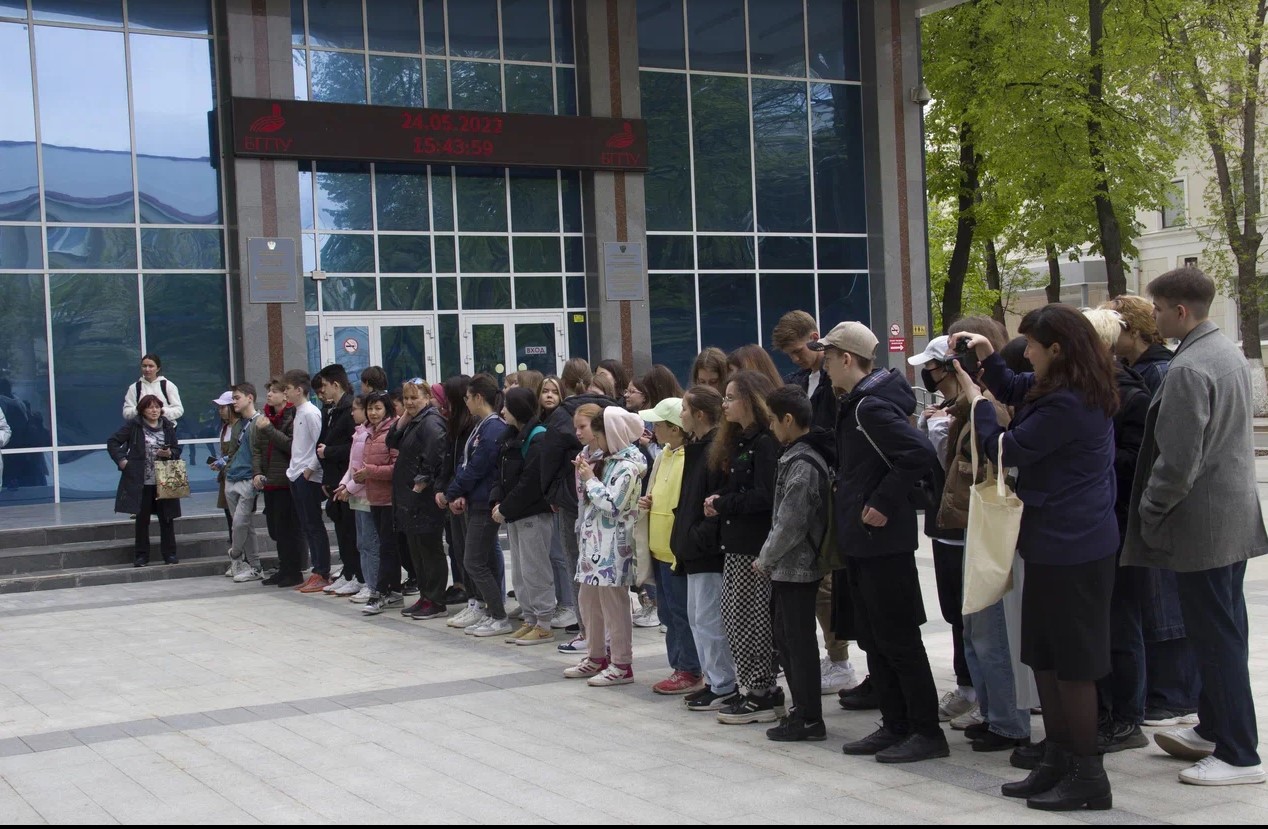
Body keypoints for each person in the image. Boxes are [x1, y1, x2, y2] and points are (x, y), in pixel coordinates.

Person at [955, 304, 1119, 809]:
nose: (1025, 354)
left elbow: (1007, 449)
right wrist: (987, 358)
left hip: (1076, 547)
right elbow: (1015, 387)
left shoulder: (1070, 401)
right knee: (1044, 657)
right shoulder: (1059, 385)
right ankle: (1057, 760)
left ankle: (1089, 775)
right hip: (1052, 543)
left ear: (1058, 349)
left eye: (1031, 346)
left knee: (1073, 666)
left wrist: (978, 405)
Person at [1123, 266, 1267, 787]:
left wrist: (1150, 510)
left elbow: (1178, 462)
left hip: (1201, 525)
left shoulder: (1188, 367)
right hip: (1228, 519)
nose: (1155, 318)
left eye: (1159, 309)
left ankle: (1239, 755)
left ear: (1180, 311)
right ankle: (1213, 729)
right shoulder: (1225, 351)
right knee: (1225, 631)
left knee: (1215, 638)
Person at [815, 321, 947, 765]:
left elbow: (919, 452)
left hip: (882, 542)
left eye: (828, 357)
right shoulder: (857, 401)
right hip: (864, 539)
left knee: (898, 638)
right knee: (876, 637)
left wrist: (882, 501)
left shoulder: (869, 407)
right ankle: (895, 724)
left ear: (846, 359)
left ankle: (925, 730)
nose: (824, 365)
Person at [935, 316, 1035, 755]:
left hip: (993, 524)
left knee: (991, 629)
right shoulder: (974, 400)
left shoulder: (994, 400)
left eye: (963, 352)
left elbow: (996, 444)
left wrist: (973, 395)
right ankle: (994, 713)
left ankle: (1008, 721)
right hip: (976, 521)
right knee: (977, 627)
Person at [1101, 294, 1197, 727]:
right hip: (1141, 503)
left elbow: (1166, 446)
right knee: (1149, 601)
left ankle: (1175, 695)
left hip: (1155, 506)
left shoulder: (1157, 372)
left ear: (1132, 330)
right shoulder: (1140, 371)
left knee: (1163, 601)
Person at [773, 311, 857, 697]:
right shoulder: (798, 381)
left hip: (828, 482)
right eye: (790, 355)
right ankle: (835, 657)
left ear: (815, 336)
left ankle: (839, 659)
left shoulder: (834, 380)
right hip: (805, 479)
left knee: (826, 581)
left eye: (798, 350)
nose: (796, 359)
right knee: (817, 579)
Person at [1083, 309, 1152, 754]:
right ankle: (1103, 712)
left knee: (1120, 626)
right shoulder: (1087, 392)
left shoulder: (1131, 396)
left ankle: (1127, 719)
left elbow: (1138, 463)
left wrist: (1089, 456)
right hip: (1096, 523)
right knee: (1099, 624)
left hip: (1121, 524)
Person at [754, 385, 836, 743]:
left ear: (788, 419)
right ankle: (801, 711)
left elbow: (791, 521)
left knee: (798, 642)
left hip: (798, 567)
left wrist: (765, 557)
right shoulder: (795, 455)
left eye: (773, 420)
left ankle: (809, 717)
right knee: (786, 639)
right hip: (788, 567)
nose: (771, 427)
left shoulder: (803, 462)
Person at [707, 369, 785, 725]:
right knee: (734, 616)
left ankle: (762, 691)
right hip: (736, 543)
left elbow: (765, 496)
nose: (724, 405)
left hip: (754, 546)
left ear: (751, 401)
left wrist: (724, 503)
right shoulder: (741, 440)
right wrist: (721, 499)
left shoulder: (765, 443)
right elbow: (740, 489)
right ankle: (751, 685)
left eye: (730, 398)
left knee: (750, 619)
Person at [908, 335, 976, 724]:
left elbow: (957, 463)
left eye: (931, 367)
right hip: (942, 523)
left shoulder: (969, 409)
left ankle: (977, 689)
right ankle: (967, 684)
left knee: (969, 613)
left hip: (963, 524)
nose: (927, 374)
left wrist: (939, 430)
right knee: (953, 611)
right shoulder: (945, 410)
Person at [562, 406, 648, 686]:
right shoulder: (607, 461)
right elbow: (588, 499)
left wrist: (590, 479)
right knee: (588, 602)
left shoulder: (628, 466)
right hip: (594, 545)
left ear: (612, 435)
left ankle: (621, 664)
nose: (595, 441)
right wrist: (585, 475)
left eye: (598, 436)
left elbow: (613, 505)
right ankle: (595, 655)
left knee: (614, 607)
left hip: (615, 548)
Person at [539, 357, 613, 653]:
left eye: (583, 427)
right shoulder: (612, 409)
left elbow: (548, 459)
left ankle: (589, 632)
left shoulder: (560, 416)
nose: (580, 432)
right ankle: (600, 633)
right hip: (597, 501)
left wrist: (552, 495)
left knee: (578, 565)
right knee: (601, 568)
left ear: (564, 383)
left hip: (580, 502)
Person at [674, 386, 740, 711]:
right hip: (694, 549)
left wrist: (698, 536)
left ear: (699, 414)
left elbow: (716, 502)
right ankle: (714, 680)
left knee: (710, 620)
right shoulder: (697, 447)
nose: (681, 415)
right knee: (697, 619)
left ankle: (724, 684)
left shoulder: (717, 451)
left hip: (708, 552)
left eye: (685, 409)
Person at [636, 397, 703, 695]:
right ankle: (679, 665)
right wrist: (649, 501)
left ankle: (689, 668)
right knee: (667, 614)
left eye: (658, 424)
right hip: (659, 546)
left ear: (675, 428)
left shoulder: (690, 457)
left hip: (677, 550)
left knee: (681, 613)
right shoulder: (664, 454)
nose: (653, 429)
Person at [439, 374, 513, 637]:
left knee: (474, 562)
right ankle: (490, 611)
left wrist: (452, 492)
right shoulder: (482, 426)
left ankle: (499, 615)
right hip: (475, 500)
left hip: (484, 502)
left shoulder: (493, 428)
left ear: (479, 398)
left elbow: (477, 467)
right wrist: (457, 492)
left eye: (468, 397)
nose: (466, 402)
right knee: (480, 560)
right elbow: (466, 463)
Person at [492, 386, 556, 645]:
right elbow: (502, 474)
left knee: (535, 569)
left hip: (532, 514)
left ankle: (544, 623)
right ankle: (530, 618)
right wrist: (498, 501)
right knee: (520, 572)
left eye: (507, 406)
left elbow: (530, 482)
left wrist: (505, 508)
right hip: (515, 515)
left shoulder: (538, 438)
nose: (502, 411)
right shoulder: (511, 436)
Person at [389, 380, 449, 620]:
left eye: (415, 398)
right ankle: (425, 596)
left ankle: (436, 599)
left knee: (429, 549)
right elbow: (391, 441)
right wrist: (404, 417)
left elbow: (436, 455)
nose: (409, 402)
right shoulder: (414, 421)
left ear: (427, 397)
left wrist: (420, 484)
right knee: (417, 550)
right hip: (410, 497)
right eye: (406, 398)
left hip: (423, 497)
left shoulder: (431, 422)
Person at [107, 394, 182, 567]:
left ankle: (170, 554)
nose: (154, 410)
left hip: (164, 480)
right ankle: (141, 556)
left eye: (157, 407)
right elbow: (112, 442)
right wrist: (123, 461)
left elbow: (177, 449)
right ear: (142, 410)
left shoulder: (168, 426)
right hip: (141, 481)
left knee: (167, 518)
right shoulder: (134, 426)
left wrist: (169, 453)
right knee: (142, 520)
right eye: (150, 407)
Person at [282, 370, 334, 593]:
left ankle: (322, 571)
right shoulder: (298, 412)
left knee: (314, 524)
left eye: (287, 389)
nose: (285, 393)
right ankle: (316, 570)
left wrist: (310, 468)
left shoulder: (312, 413)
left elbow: (320, 443)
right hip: (296, 474)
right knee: (306, 524)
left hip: (308, 476)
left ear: (299, 389)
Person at [253, 380, 307, 588]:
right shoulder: (265, 418)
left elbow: (290, 445)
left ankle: (294, 571)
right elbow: (257, 449)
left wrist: (268, 429)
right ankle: (283, 568)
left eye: (274, 391)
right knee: (275, 529)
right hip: (269, 482)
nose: (269, 395)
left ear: (285, 395)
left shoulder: (292, 417)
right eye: (268, 391)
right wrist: (257, 472)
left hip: (286, 481)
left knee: (288, 529)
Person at [314, 365, 361, 596]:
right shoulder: (331, 409)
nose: (322, 391)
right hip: (333, 478)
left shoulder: (349, 409)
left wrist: (329, 452)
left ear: (336, 384)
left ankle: (357, 574)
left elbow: (354, 447)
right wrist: (326, 476)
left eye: (324, 386)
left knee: (351, 531)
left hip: (347, 479)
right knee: (342, 530)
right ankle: (348, 571)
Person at [332, 396, 379, 601]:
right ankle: (365, 581)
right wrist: (345, 484)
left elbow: (364, 469)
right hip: (357, 496)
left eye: (356, 409)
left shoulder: (368, 435)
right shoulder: (359, 433)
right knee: (362, 543)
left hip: (367, 495)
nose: (352, 413)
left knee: (370, 543)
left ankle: (372, 585)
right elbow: (352, 466)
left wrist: (349, 487)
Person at [358, 391, 401, 614]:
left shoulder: (392, 432)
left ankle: (380, 592)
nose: (373, 413)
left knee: (386, 547)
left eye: (378, 408)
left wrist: (371, 472)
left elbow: (397, 468)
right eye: (370, 408)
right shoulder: (369, 433)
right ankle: (393, 591)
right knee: (385, 545)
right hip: (374, 498)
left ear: (387, 409)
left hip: (390, 500)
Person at [222, 384, 265, 582]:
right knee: (244, 525)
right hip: (232, 478)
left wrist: (258, 475)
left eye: (237, 397)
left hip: (249, 479)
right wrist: (226, 469)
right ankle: (255, 566)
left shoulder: (260, 422)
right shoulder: (238, 424)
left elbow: (260, 451)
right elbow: (232, 451)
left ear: (250, 398)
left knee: (240, 522)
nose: (234, 402)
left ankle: (235, 554)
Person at [210, 391, 239, 548]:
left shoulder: (241, 426)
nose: (220, 411)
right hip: (225, 477)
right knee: (228, 513)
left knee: (239, 517)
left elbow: (240, 452)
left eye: (223, 407)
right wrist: (218, 463)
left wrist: (223, 461)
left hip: (238, 476)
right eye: (219, 408)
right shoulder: (224, 428)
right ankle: (233, 546)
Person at [122, 353, 184, 423]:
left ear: (158, 368)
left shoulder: (168, 385)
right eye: (144, 366)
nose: (147, 369)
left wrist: (161, 411)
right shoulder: (134, 388)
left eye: (151, 366)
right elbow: (126, 413)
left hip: (166, 428)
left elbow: (179, 410)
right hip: (141, 428)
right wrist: (139, 409)